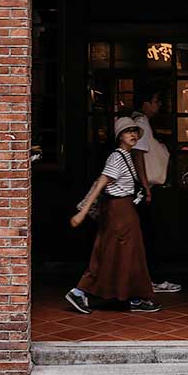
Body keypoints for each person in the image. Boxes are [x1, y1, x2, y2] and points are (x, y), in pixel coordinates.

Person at [66, 116, 161, 316]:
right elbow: (101, 183)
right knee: (115, 253)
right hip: (119, 211)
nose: (133, 134)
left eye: (135, 131)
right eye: (128, 132)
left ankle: (132, 296)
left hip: (123, 209)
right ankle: (81, 291)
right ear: (119, 136)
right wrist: (82, 213)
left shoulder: (127, 155)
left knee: (123, 254)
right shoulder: (117, 157)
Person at [132, 92, 182, 294]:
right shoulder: (141, 122)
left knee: (146, 234)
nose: (159, 105)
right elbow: (138, 155)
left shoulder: (141, 121)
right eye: (155, 101)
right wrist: (144, 185)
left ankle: (149, 278)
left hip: (142, 187)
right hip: (143, 188)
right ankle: (152, 279)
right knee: (149, 235)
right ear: (145, 103)